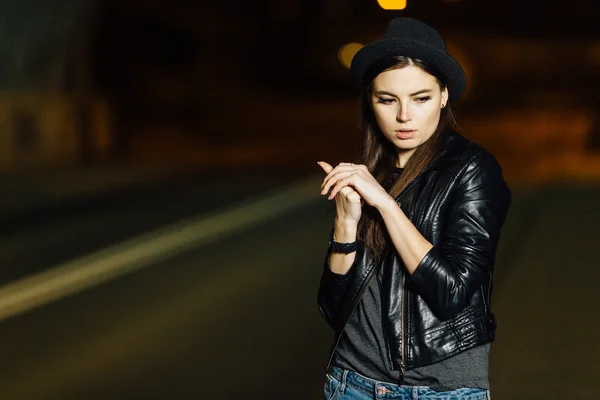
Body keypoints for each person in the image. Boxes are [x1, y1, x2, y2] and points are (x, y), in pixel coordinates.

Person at [316, 17, 511, 400]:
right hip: (350, 384)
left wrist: (386, 205)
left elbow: (451, 293)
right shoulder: (372, 172)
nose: (404, 116)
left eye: (420, 98)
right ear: (370, 103)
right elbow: (331, 308)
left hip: (438, 391)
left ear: (443, 96)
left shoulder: (472, 170)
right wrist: (345, 224)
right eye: (387, 100)